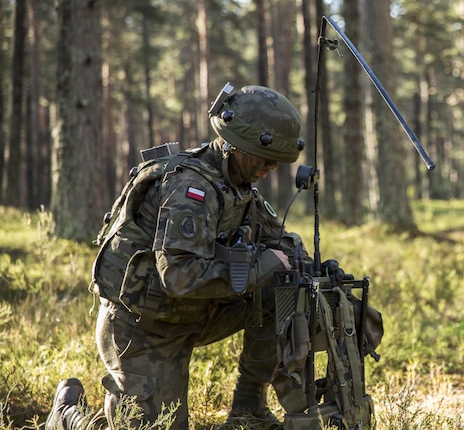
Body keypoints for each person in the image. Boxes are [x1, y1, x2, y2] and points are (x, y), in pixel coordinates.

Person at [45, 85, 309, 430]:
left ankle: (249, 409)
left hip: (194, 313)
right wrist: (266, 264)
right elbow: (180, 277)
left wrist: (305, 264)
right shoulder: (189, 191)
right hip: (144, 328)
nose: (272, 167)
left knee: (286, 289)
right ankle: (67, 417)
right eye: (265, 158)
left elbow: (280, 242)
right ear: (234, 147)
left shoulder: (237, 186)